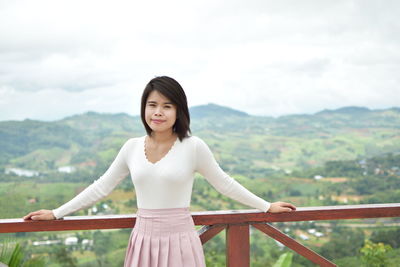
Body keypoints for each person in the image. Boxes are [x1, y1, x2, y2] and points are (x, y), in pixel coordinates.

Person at [23, 76, 296, 267]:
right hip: (142, 239)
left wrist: (266, 205)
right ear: (144, 108)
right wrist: (56, 213)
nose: (158, 112)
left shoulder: (193, 147)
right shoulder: (131, 147)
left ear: (179, 112)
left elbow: (223, 183)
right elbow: (102, 187)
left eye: (167, 106)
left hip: (180, 239)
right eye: (152, 105)